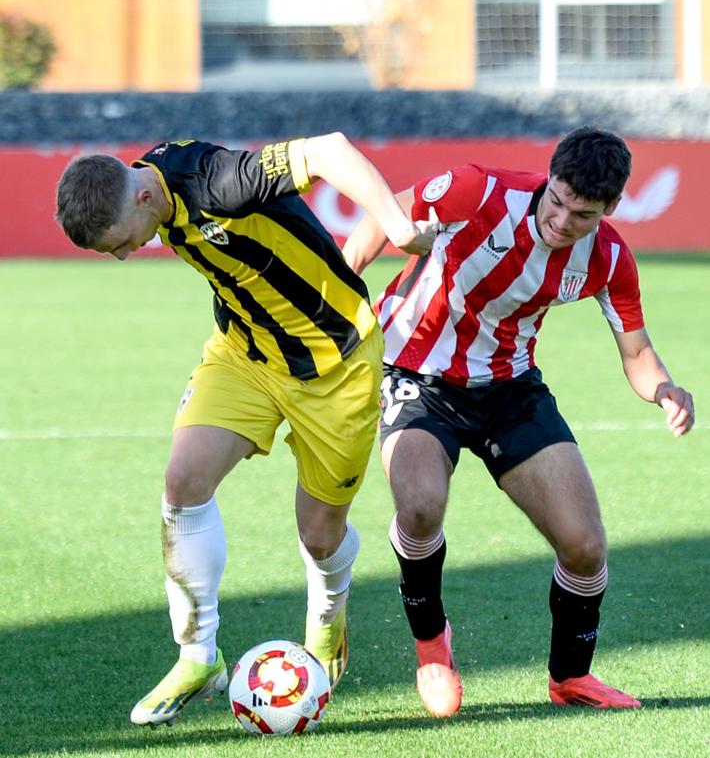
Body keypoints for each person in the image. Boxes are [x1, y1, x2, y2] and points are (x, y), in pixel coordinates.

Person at [55, 133, 438, 727]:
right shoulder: (149, 191)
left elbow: (331, 150)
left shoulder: (218, 180)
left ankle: (328, 618)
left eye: (117, 244)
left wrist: (397, 224)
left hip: (335, 363)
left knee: (319, 534)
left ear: (139, 198)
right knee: (183, 483)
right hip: (245, 354)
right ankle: (197, 656)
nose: (124, 256)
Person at [342, 125, 695, 717]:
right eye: (556, 201)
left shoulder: (609, 257)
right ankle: (433, 648)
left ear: (609, 209)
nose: (561, 222)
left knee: (584, 547)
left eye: (581, 215)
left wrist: (664, 389)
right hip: (413, 372)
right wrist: (341, 300)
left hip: (510, 389)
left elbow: (637, 353)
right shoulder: (478, 190)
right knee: (421, 506)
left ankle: (571, 678)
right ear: (548, 178)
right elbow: (386, 215)